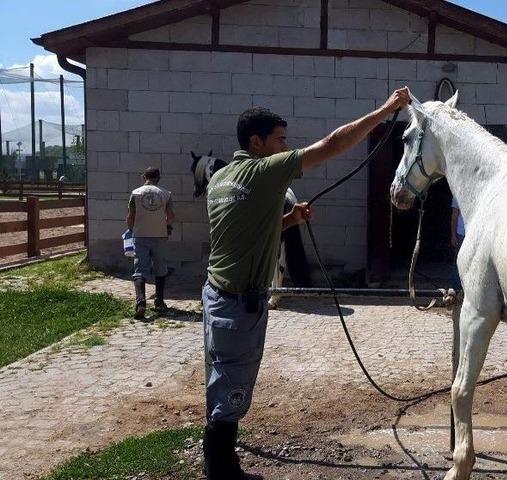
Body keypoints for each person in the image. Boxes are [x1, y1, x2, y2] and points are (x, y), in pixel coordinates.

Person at [201, 87, 412, 480]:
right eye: (280, 140)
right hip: (239, 302)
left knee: (222, 377)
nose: (286, 146)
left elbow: (243, 235)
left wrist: (289, 221)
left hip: (217, 295)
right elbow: (334, 143)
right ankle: (221, 474)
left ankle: (222, 466)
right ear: (256, 142)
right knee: (233, 385)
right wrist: (387, 109)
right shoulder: (264, 170)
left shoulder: (221, 179)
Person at [126, 167, 175, 320]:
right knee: (161, 268)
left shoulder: (135, 193)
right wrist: (167, 227)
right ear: (158, 177)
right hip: (160, 235)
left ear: (143, 177)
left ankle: (140, 302)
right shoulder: (166, 194)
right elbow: (171, 216)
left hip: (140, 235)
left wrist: (130, 230)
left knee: (140, 269)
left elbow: (130, 216)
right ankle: (159, 301)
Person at [450, 197, 466, 290]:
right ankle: (456, 289)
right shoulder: (457, 195)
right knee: (458, 262)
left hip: (474, 233)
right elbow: (454, 216)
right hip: (461, 233)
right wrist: (453, 235)